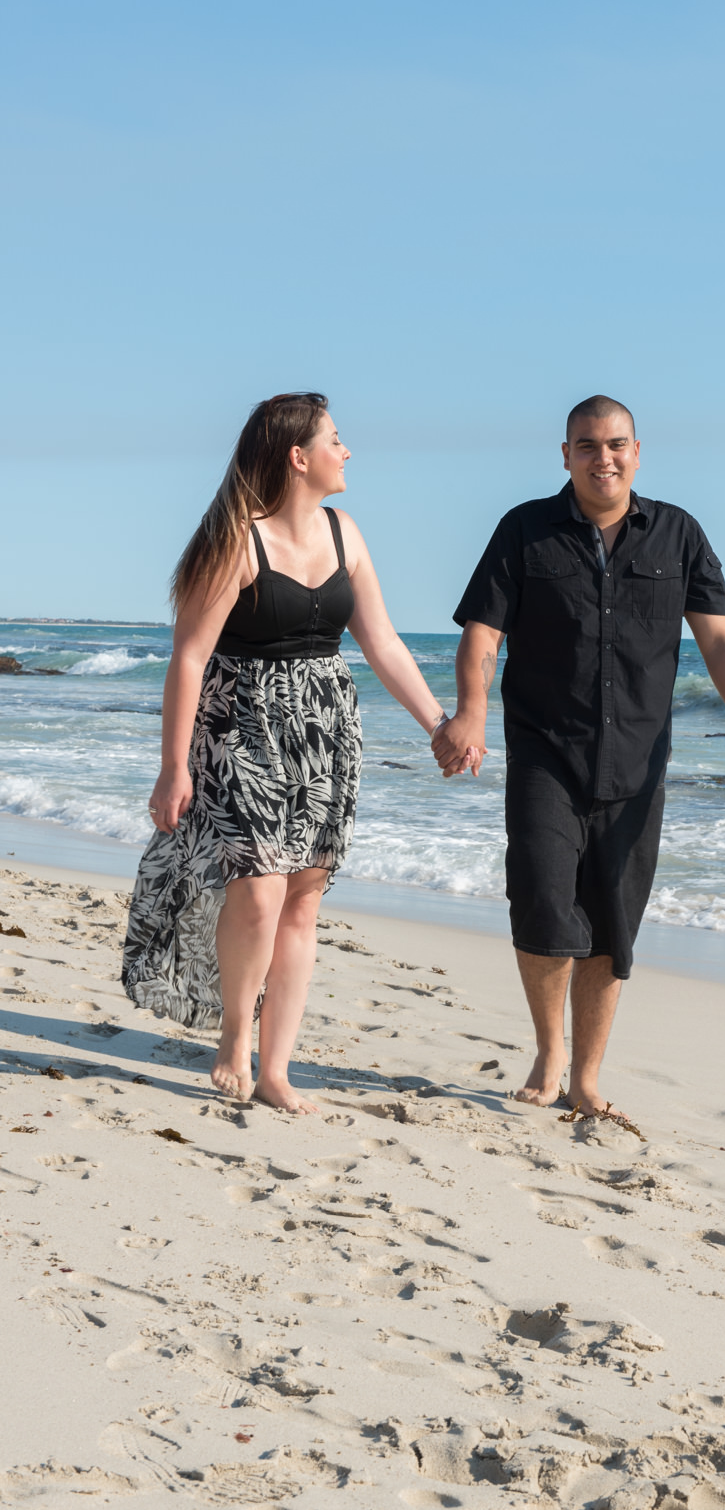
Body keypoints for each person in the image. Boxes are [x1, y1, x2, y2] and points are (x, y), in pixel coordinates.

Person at [122, 392, 472, 1112]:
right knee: (257, 892)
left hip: (324, 732)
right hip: (240, 730)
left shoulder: (347, 534)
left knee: (303, 900)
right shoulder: (236, 540)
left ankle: (276, 1067)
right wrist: (173, 764)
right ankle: (232, 1042)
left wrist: (438, 720)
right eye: (335, 440)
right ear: (297, 456)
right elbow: (189, 658)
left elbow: (380, 642)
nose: (347, 452)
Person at [432, 394, 725, 1126]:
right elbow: (483, 634)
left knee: (613, 922)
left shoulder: (678, 535)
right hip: (544, 755)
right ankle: (549, 1053)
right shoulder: (523, 531)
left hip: (639, 765)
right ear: (565, 456)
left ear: (638, 452)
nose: (603, 458)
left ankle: (586, 1076)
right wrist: (469, 710)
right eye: (586, 446)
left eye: (615, 444)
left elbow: (718, 639)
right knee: (545, 901)